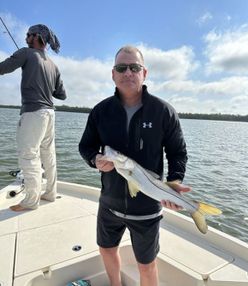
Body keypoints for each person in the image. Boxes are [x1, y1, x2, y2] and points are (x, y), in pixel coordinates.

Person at [79, 45, 190, 286]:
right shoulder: (100, 111)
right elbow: (86, 146)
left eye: (134, 67)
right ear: (113, 74)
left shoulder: (163, 112)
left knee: (147, 265)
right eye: (121, 67)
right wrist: (94, 160)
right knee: (106, 251)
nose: (128, 72)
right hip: (109, 204)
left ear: (144, 73)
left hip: (148, 207)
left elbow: (177, 152)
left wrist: (175, 182)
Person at [0, 24, 66, 211]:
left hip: (33, 113)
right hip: (49, 114)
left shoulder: (26, 53)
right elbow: (62, 95)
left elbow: (3, 68)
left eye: (28, 35)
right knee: (48, 155)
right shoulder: (53, 65)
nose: (25, 37)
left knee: (28, 156)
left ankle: (31, 201)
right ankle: (50, 193)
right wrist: (46, 83)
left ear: (37, 37)